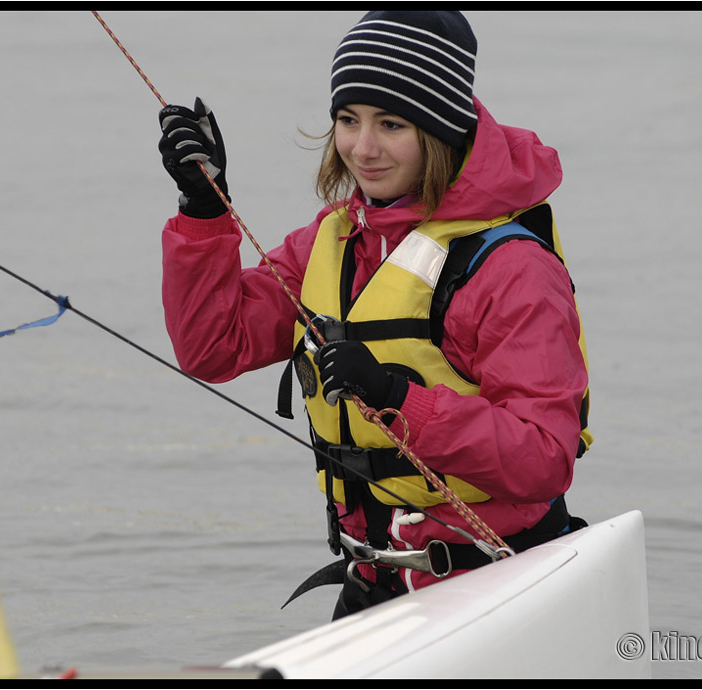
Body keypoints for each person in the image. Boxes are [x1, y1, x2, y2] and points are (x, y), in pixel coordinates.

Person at [158, 10, 592, 619]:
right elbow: (213, 347)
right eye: (347, 120)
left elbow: (544, 458)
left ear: (439, 130)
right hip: (376, 583)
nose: (363, 148)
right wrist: (203, 209)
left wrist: (396, 396)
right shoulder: (333, 241)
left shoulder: (511, 267)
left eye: (390, 124)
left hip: (496, 585)